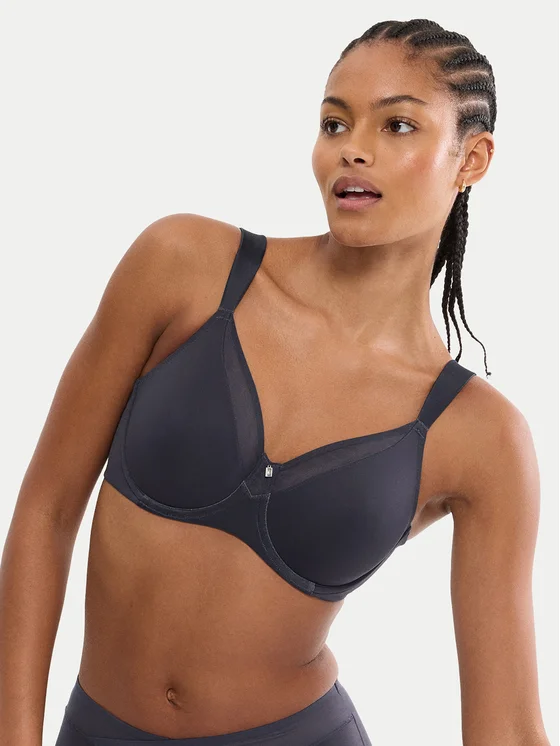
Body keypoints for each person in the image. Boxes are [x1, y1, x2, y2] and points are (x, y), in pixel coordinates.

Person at [0, 17, 551, 746]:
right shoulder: (185, 268)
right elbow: (44, 512)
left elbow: (507, 726)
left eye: (398, 126)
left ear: (471, 159)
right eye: (335, 122)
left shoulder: (479, 436)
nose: (353, 148)